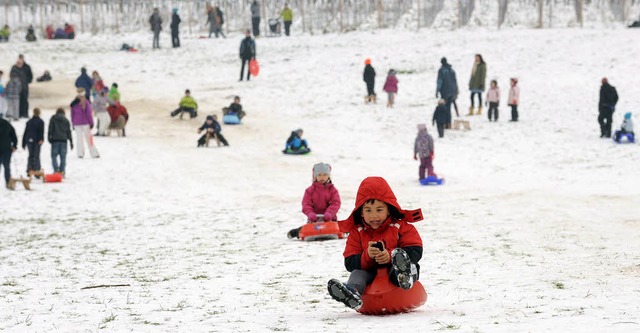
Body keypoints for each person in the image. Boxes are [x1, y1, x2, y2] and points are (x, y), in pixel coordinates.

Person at [327, 177, 423, 310]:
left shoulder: (400, 227)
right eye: (368, 210)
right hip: (370, 272)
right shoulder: (357, 232)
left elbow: (416, 250)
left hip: (394, 271)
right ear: (361, 212)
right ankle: (351, 293)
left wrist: (390, 256)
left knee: (404, 265)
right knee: (357, 274)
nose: (374, 216)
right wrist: (367, 256)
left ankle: (406, 276)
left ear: (389, 209)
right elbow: (349, 262)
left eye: (379, 210)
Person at [287, 162, 341, 239]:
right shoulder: (309, 191)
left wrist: (330, 213)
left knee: (340, 227)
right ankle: (297, 232)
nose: (322, 177)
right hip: (313, 220)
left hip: (330, 219)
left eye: (325, 175)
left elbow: (335, 203)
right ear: (315, 176)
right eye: (319, 175)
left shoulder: (333, 190)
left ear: (328, 176)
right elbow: (306, 204)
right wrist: (310, 213)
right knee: (306, 229)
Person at [70, 89, 99, 158]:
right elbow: (89, 114)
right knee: (89, 139)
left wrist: (73, 123)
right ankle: (94, 153)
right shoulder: (86, 102)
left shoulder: (73, 103)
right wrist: (91, 123)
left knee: (79, 139)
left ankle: (80, 154)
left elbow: (72, 114)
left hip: (77, 123)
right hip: (85, 123)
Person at [48, 108, 73, 176]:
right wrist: (71, 141)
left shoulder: (53, 119)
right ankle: (62, 171)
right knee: (63, 157)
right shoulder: (66, 120)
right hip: (64, 141)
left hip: (55, 140)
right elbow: (68, 132)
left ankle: (56, 170)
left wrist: (49, 138)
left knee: (54, 156)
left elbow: (50, 129)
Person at [436, 57, 457, 129]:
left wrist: (437, 91)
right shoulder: (452, 70)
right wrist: (455, 92)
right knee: (449, 108)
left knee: (444, 108)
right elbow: (455, 82)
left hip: (444, 92)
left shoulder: (441, 70)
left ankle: (444, 123)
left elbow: (439, 81)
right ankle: (449, 123)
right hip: (452, 92)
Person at [22, 108, 44, 176]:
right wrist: (41, 139)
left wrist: (23, 143)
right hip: (37, 140)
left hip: (29, 140)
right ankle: (37, 171)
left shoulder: (29, 122)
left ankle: (29, 169)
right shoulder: (41, 122)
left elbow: (25, 132)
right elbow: (41, 132)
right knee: (36, 156)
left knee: (30, 155)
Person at [10, 54, 33, 118]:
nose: (20, 60)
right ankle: (19, 114)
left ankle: (25, 114)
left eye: (22, 58)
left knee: (25, 100)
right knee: (18, 101)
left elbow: (30, 76)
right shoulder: (14, 67)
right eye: (19, 58)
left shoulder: (27, 67)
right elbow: (11, 76)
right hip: (17, 88)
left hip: (25, 87)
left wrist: (27, 81)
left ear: (23, 59)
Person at [0, 113, 18, 189]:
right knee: (7, 167)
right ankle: (8, 182)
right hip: (7, 149)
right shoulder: (7, 124)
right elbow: (14, 135)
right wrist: (14, 146)